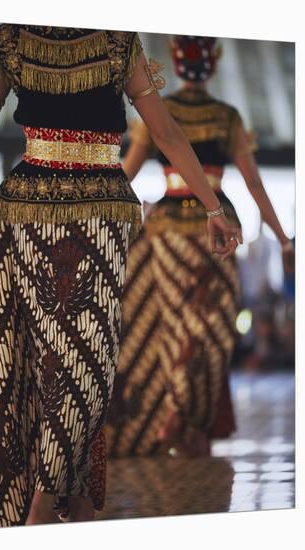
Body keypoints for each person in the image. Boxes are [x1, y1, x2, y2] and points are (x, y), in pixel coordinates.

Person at [0, 24, 241, 527]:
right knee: (80, 361)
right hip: (79, 214)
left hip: (55, 210)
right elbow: (163, 133)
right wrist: (212, 206)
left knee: (73, 360)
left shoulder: (20, 38)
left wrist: (211, 205)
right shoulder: (105, 40)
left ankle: (64, 498)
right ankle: (46, 504)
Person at [105, 35, 294, 459]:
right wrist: (282, 239)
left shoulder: (162, 112)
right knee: (214, 332)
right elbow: (254, 184)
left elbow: (125, 174)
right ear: (213, 64)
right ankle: (182, 416)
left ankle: (177, 415)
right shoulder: (227, 116)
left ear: (175, 62)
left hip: (169, 234)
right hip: (218, 231)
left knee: (175, 330)